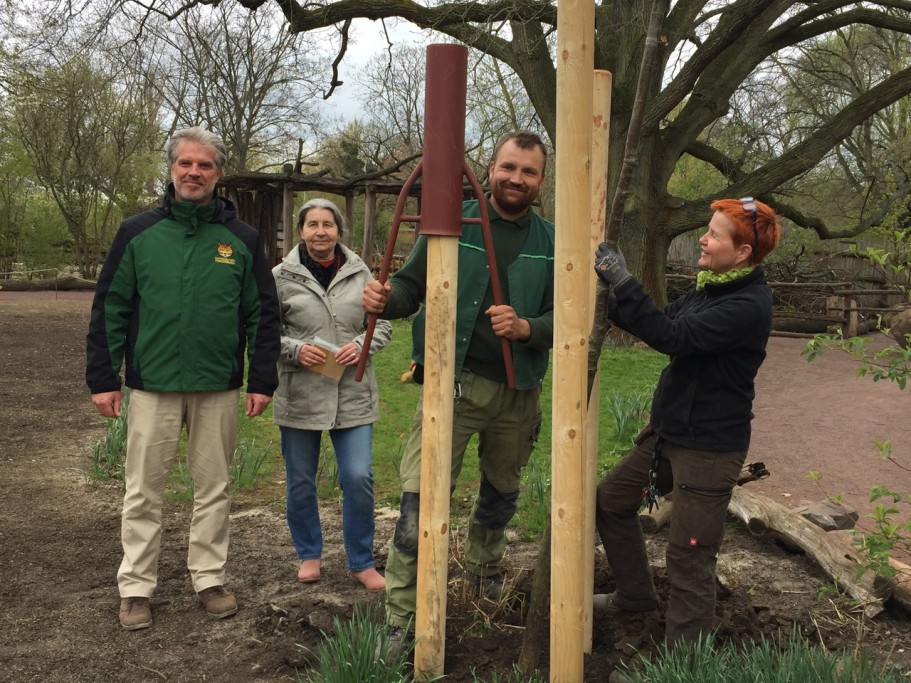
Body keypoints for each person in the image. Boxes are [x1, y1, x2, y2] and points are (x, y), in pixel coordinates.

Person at [363, 131, 555, 647]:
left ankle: (483, 571)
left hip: (518, 393)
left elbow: (573, 318)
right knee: (417, 504)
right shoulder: (452, 222)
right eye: (508, 167)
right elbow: (410, 287)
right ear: (490, 168)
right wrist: (385, 296)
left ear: (541, 180)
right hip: (450, 388)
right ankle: (401, 619)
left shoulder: (551, 242)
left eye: (529, 171)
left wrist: (529, 329)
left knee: (501, 493)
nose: (517, 178)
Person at [86, 126, 280, 631]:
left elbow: (263, 313)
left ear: (219, 173)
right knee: (143, 491)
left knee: (214, 487)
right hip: (152, 384)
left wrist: (262, 380)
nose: (194, 172)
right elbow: (110, 306)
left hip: (217, 383)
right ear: (171, 169)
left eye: (205, 165)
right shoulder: (137, 233)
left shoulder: (241, 239)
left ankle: (209, 577)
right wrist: (103, 377)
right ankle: (135, 588)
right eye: (185, 164)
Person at [591, 197, 781, 658]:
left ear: (741, 253)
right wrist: (607, 297)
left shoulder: (748, 305)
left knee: (690, 554)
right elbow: (660, 320)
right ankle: (635, 595)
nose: (703, 238)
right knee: (611, 501)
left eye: (714, 234)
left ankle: (682, 662)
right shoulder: (710, 287)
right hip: (670, 435)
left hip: (710, 449)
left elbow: (673, 338)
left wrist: (625, 280)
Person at [272, 198, 392, 591]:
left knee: (358, 477)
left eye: (328, 224)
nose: (320, 231)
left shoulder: (361, 274)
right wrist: (294, 349)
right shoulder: (279, 277)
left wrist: (361, 344)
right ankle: (309, 554)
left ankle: (361, 561)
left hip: (352, 393)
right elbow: (262, 332)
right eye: (312, 224)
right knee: (301, 481)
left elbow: (384, 327)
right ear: (301, 231)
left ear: (339, 231)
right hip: (301, 394)